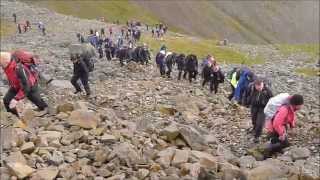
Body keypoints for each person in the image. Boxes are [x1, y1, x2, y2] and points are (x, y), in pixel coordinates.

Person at [0, 51, 48, 117]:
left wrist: (16, 99)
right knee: (6, 100)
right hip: (15, 85)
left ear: (5, 61)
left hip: (30, 85)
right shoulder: (6, 65)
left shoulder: (19, 68)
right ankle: (13, 117)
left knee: (36, 100)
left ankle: (46, 111)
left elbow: (26, 87)